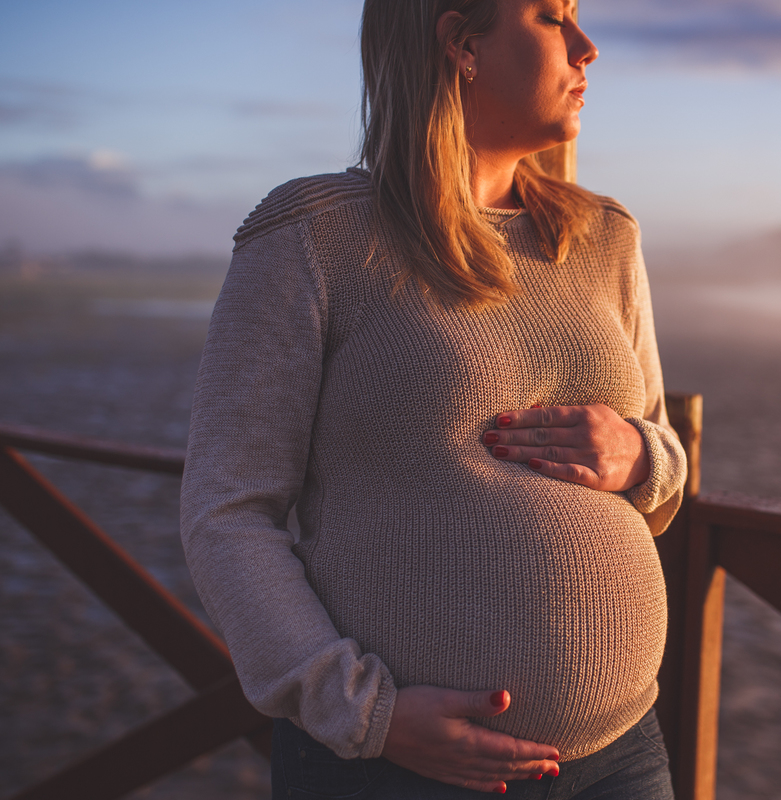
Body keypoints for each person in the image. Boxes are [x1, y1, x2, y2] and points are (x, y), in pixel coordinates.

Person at [180, 0, 686, 797]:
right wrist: (363, 714)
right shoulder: (312, 235)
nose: (587, 48)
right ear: (460, 42)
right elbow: (226, 510)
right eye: (554, 17)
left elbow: (663, 468)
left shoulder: (605, 236)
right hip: (396, 769)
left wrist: (640, 455)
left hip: (620, 756)